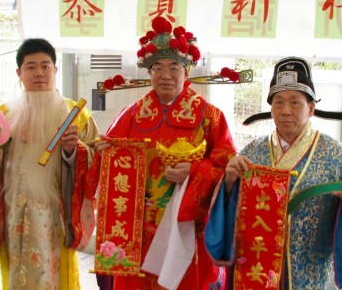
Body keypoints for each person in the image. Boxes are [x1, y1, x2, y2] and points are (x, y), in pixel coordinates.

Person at [204, 57, 342, 289]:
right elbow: (230, 211)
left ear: (311, 108)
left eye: (295, 102)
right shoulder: (252, 152)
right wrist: (229, 183)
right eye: (278, 103)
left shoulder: (337, 156)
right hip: (256, 269)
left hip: (314, 274)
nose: (286, 111)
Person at [93, 16, 237, 289]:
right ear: (149, 73)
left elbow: (229, 169)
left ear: (187, 72)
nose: (165, 75)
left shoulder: (210, 117)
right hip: (136, 232)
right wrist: (100, 154)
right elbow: (103, 165)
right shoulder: (132, 114)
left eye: (174, 67)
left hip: (184, 231)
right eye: (157, 67)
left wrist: (195, 172)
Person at [0, 38, 100, 289]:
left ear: (55, 69)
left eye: (45, 66)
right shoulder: (2, 116)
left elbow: (99, 159)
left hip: (55, 217)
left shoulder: (76, 114)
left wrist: (74, 153)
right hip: (12, 214)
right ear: (19, 73)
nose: (39, 73)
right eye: (31, 67)